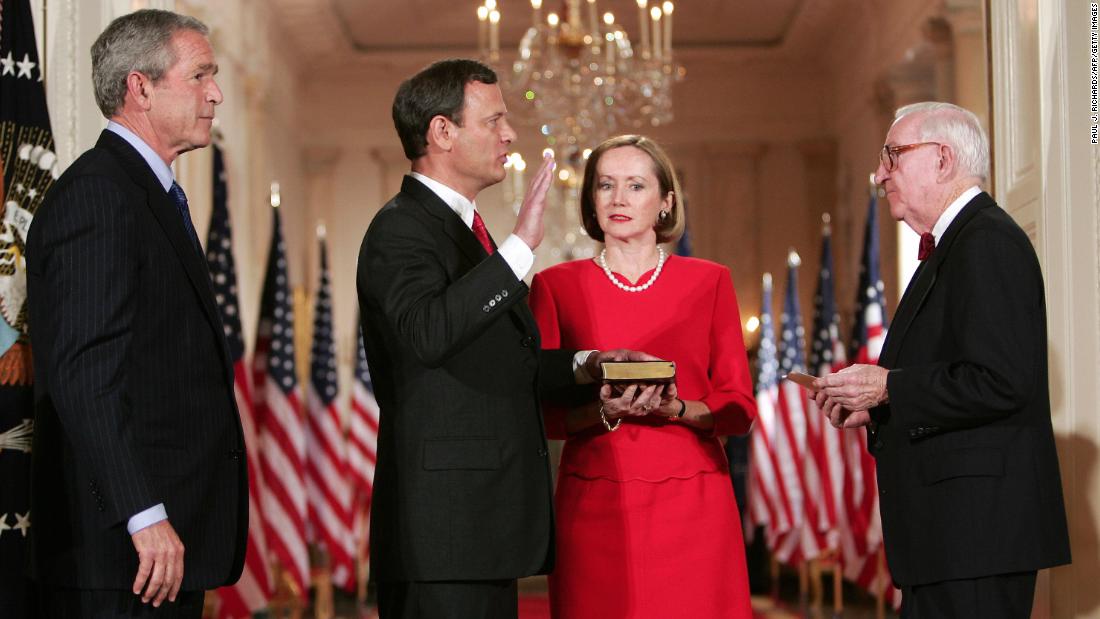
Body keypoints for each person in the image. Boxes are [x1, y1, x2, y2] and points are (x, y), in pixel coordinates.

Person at [358, 59, 655, 619]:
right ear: (442, 132)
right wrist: (520, 247)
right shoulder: (400, 227)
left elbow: (493, 359)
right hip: (442, 535)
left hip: (478, 529)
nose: (509, 134)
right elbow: (428, 334)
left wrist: (589, 365)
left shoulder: (462, 228)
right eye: (493, 120)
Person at [26, 9, 246, 618]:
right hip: (124, 552)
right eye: (200, 74)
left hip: (159, 548)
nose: (216, 93)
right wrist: (143, 513)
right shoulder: (100, 194)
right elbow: (86, 375)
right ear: (140, 87)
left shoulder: (147, 194)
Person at [813, 102, 1071, 618]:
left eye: (892, 155)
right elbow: (956, 373)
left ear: (943, 159)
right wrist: (878, 406)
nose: (879, 172)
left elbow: (1001, 381)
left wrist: (889, 389)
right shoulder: (956, 244)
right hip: (952, 538)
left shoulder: (986, 242)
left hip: (975, 535)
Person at [528, 134, 757, 619]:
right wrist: (602, 411)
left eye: (635, 185)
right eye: (606, 185)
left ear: (666, 202)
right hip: (594, 502)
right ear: (591, 199)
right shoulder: (555, 286)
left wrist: (674, 408)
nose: (618, 198)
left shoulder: (710, 281)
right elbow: (539, 414)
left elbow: (738, 406)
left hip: (693, 501)